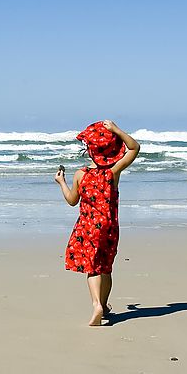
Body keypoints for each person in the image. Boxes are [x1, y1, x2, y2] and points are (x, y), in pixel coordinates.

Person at [54, 120, 140, 326]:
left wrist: (61, 182)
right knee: (106, 267)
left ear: (89, 150)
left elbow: (72, 201)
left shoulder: (81, 175)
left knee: (92, 269)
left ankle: (97, 305)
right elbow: (135, 148)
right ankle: (104, 303)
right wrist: (117, 130)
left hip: (87, 227)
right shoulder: (112, 172)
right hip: (109, 227)